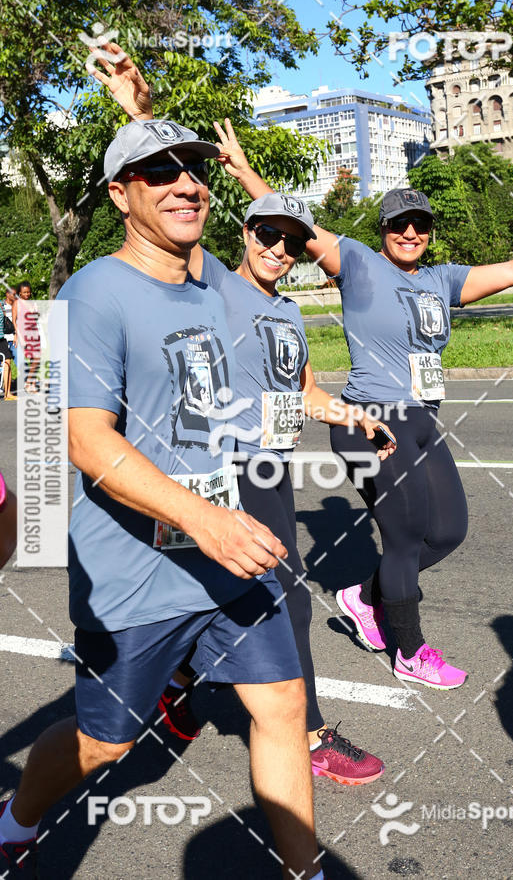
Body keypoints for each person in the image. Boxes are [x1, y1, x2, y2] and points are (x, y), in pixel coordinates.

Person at [0, 119, 323, 880]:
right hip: (138, 571)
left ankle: (305, 873)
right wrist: (202, 518)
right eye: (157, 174)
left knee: (279, 705)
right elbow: (85, 442)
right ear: (118, 195)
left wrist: (153, 111)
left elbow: (284, 230)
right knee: (107, 740)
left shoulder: (211, 278)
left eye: (193, 172)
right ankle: (16, 817)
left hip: (226, 554)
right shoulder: (89, 294)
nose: (185, 185)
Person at [89, 45, 396, 785]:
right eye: (267, 235)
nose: (280, 250)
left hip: (273, 466)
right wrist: (142, 110)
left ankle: (186, 695)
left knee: (245, 601)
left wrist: (347, 414)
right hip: (227, 469)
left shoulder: (288, 312)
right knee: (283, 601)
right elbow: (167, 205)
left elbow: (305, 392)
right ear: (244, 235)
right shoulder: (216, 286)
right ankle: (311, 732)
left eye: (292, 243)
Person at [203, 127, 513, 691]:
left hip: (422, 419)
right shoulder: (360, 266)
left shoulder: (443, 280)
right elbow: (289, 227)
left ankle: (364, 598)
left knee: (450, 532)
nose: (410, 232)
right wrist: (243, 172)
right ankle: (409, 649)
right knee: (407, 537)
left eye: (420, 224)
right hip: (371, 419)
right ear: (383, 230)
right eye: (398, 224)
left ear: (430, 233)